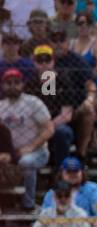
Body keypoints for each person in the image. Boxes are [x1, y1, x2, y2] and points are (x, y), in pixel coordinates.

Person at [0, 68, 52, 210]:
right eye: (8, 82)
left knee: (26, 161)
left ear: (23, 84)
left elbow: (49, 129)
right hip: (11, 153)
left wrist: (30, 147)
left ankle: (29, 205)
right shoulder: (1, 106)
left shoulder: (33, 102)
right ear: (3, 85)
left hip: (37, 152)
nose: (12, 85)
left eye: (16, 82)